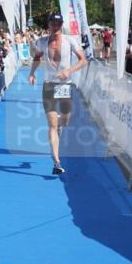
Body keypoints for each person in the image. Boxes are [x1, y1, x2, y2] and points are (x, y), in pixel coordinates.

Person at [28, 12, 88, 175]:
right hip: (48, 86)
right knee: (52, 125)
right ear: (48, 24)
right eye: (53, 24)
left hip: (65, 86)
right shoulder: (41, 42)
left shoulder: (70, 41)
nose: (55, 27)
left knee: (66, 121)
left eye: (58, 24)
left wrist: (69, 70)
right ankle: (56, 161)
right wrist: (32, 73)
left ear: (61, 25)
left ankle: (57, 126)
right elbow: (37, 58)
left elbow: (83, 60)